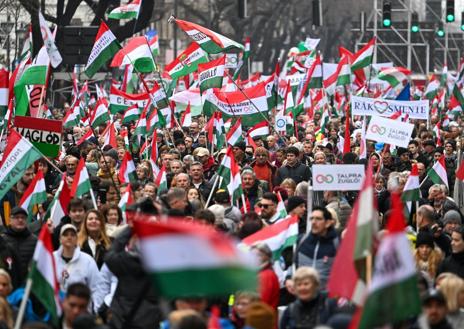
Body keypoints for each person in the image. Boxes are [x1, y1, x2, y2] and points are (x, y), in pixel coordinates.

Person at [105, 225, 161, 329]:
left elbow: (110, 254)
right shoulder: (162, 268)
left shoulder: (122, 262)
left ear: (131, 246)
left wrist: (131, 228)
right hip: (149, 321)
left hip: (122, 321)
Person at [296, 207, 339, 289]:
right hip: (302, 295)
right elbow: (294, 265)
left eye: (318, 219)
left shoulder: (337, 243)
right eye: (311, 218)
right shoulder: (301, 241)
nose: (313, 222)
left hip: (326, 297)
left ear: (328, 223)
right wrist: (288, 278)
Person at [53, 224, 99, 299]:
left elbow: (96, 287)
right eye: (65, 235)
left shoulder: (88, 260)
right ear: (60, 239)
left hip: (80, 307)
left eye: (72, 235)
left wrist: (92, 308)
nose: (69, 237)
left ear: (77, 239)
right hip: (55, 307)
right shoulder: (52, 258)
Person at [1, 206, 37, 285]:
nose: (20, 220)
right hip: (6, 286)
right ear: (10, 220)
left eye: (23, 217)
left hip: (28, 286)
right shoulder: (2, 241)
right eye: (16, 217)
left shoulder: (34, 240)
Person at [250, 243, 280, 311]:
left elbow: (261, 302)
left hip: (261, 318)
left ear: (267, 257)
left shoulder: (266, 275)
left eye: (258, 255)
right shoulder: (256, 274)